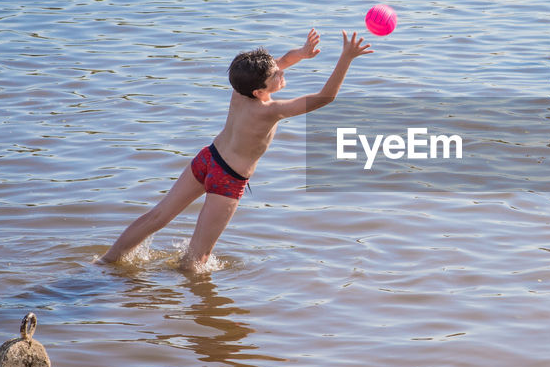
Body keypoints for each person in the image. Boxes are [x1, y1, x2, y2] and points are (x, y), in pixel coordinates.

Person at [100, 29, 373, 270]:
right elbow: (325, 98)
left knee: (157, 216)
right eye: (276, 75)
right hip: (228, 179)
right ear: (258, 92)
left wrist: (301, 53)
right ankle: (190, 306)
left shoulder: (240, 88)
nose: (282, 71)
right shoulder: (270, 111)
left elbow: (281, 61)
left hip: (207, 158)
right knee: (198, 257)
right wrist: (346, 58)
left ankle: (106, 261)